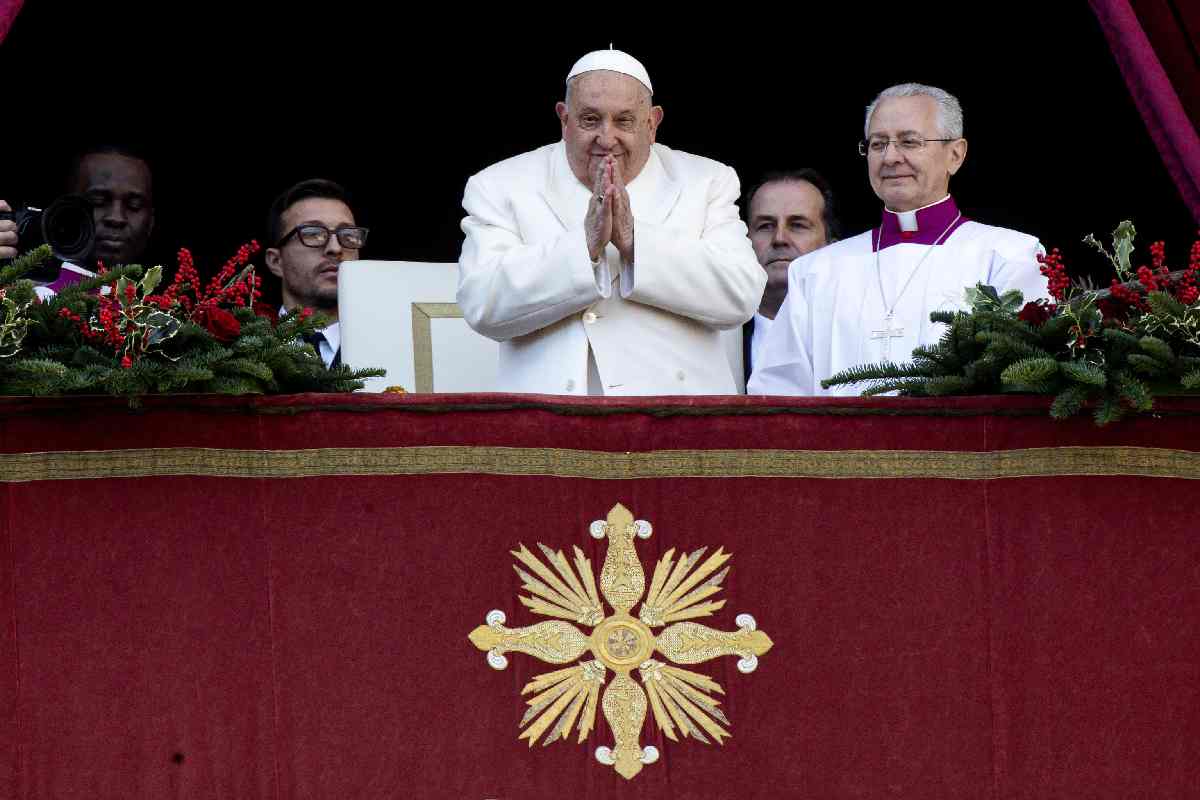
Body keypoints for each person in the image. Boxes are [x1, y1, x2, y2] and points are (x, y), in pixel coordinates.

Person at [457, 48, 764, 396]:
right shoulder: (501, 185)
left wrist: (636, 243)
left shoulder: (706, 181)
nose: (606, 138)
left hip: (678, 416)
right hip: (553, 416)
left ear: (652, 123)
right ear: (564, 119)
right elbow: (482, 304)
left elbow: (742, 295)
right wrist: (584, 247)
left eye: (624, 120)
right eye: (590, 119)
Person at [748, 83, 1048, 396]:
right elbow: (777, 395)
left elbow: (1025, 384)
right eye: (878, 144)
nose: (890, 157)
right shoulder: (815, 272)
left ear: (956, 155)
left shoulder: (1009, 256)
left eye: (909, 142)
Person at [742, 169, 838, 380]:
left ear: (832, 246)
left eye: (797, 225)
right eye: (765, 226)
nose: (779, 238)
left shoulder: (854, 333)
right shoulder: (713, 339)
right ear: (744, 242)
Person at [264, 179, 368, 369]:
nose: (336, 248)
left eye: (348, 235)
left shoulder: (395, 345)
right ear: (276, 261)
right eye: (313, 233)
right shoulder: (236, 351)